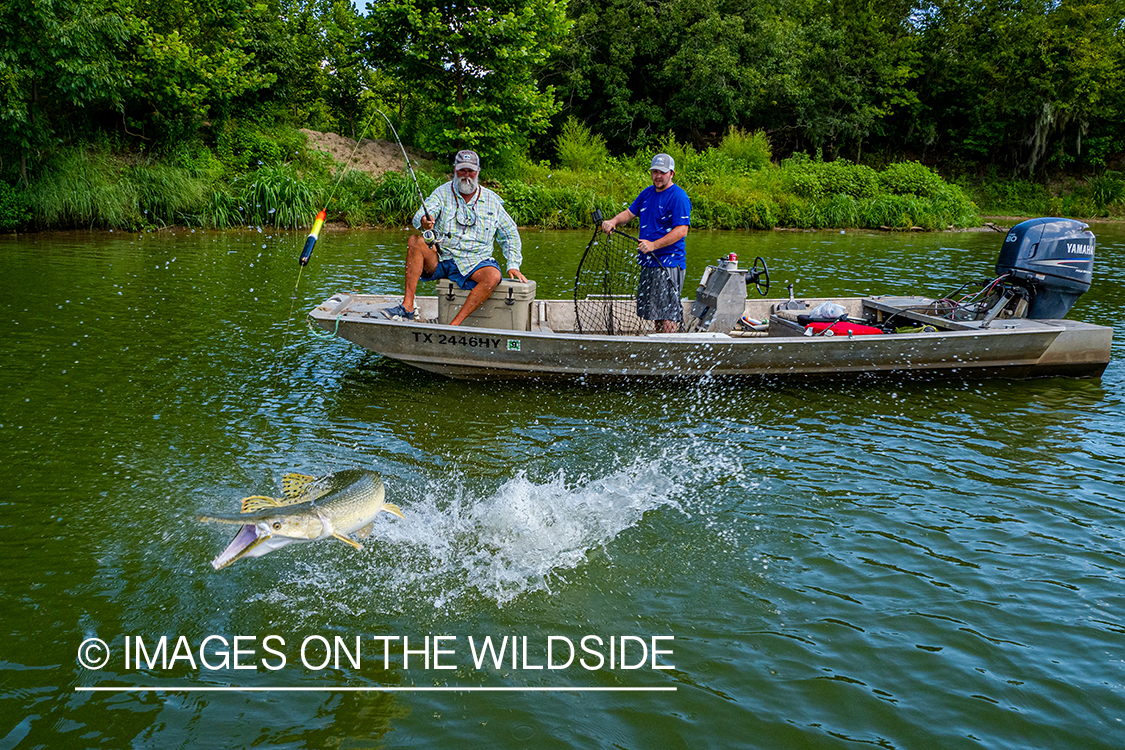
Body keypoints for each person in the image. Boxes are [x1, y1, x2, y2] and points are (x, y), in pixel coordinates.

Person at [381, 149, 527, 324]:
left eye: (470, 171)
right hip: (444, 258)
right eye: (462, 170)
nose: (466, 175)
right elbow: (421, 215)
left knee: (493, 276)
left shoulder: (492, 201)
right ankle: (407, 306)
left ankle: (455, 323)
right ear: (455, 169)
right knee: (415, 241)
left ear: (478, 172)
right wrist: (425, 221)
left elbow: (510, 234)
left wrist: (513, 265)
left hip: (476, 262)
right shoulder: (442, 193)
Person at [599, 153, 692, 333]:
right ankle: (659, 348)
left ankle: (669, 351)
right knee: (655, 312)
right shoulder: (647, 193)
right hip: (649, 263)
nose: (658, 176)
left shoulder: (678, 197)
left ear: (671, 173)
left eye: (662, 172)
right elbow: (630, 213)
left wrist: (653, 245)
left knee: (669, 313)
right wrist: (614, 221)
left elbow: (682, 231)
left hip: (669, 263)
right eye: (654, 171)